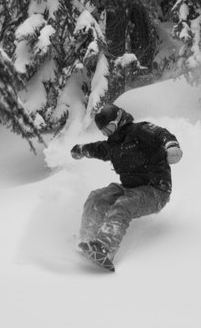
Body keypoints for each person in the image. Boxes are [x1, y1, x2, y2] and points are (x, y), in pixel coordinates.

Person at [70, 103, 183, 271]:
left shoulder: (140, 130)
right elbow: (96, 148)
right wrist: (81, 150)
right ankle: (87, 240)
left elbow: (161, 134)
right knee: (97, 197)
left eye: (110, 128)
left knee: (124, 204)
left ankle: (105, 249)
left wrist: (171, 146)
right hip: (130, 188)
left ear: (119, 119)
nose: (109, 133)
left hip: (156, 190)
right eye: (105, 132)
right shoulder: (112, 146)